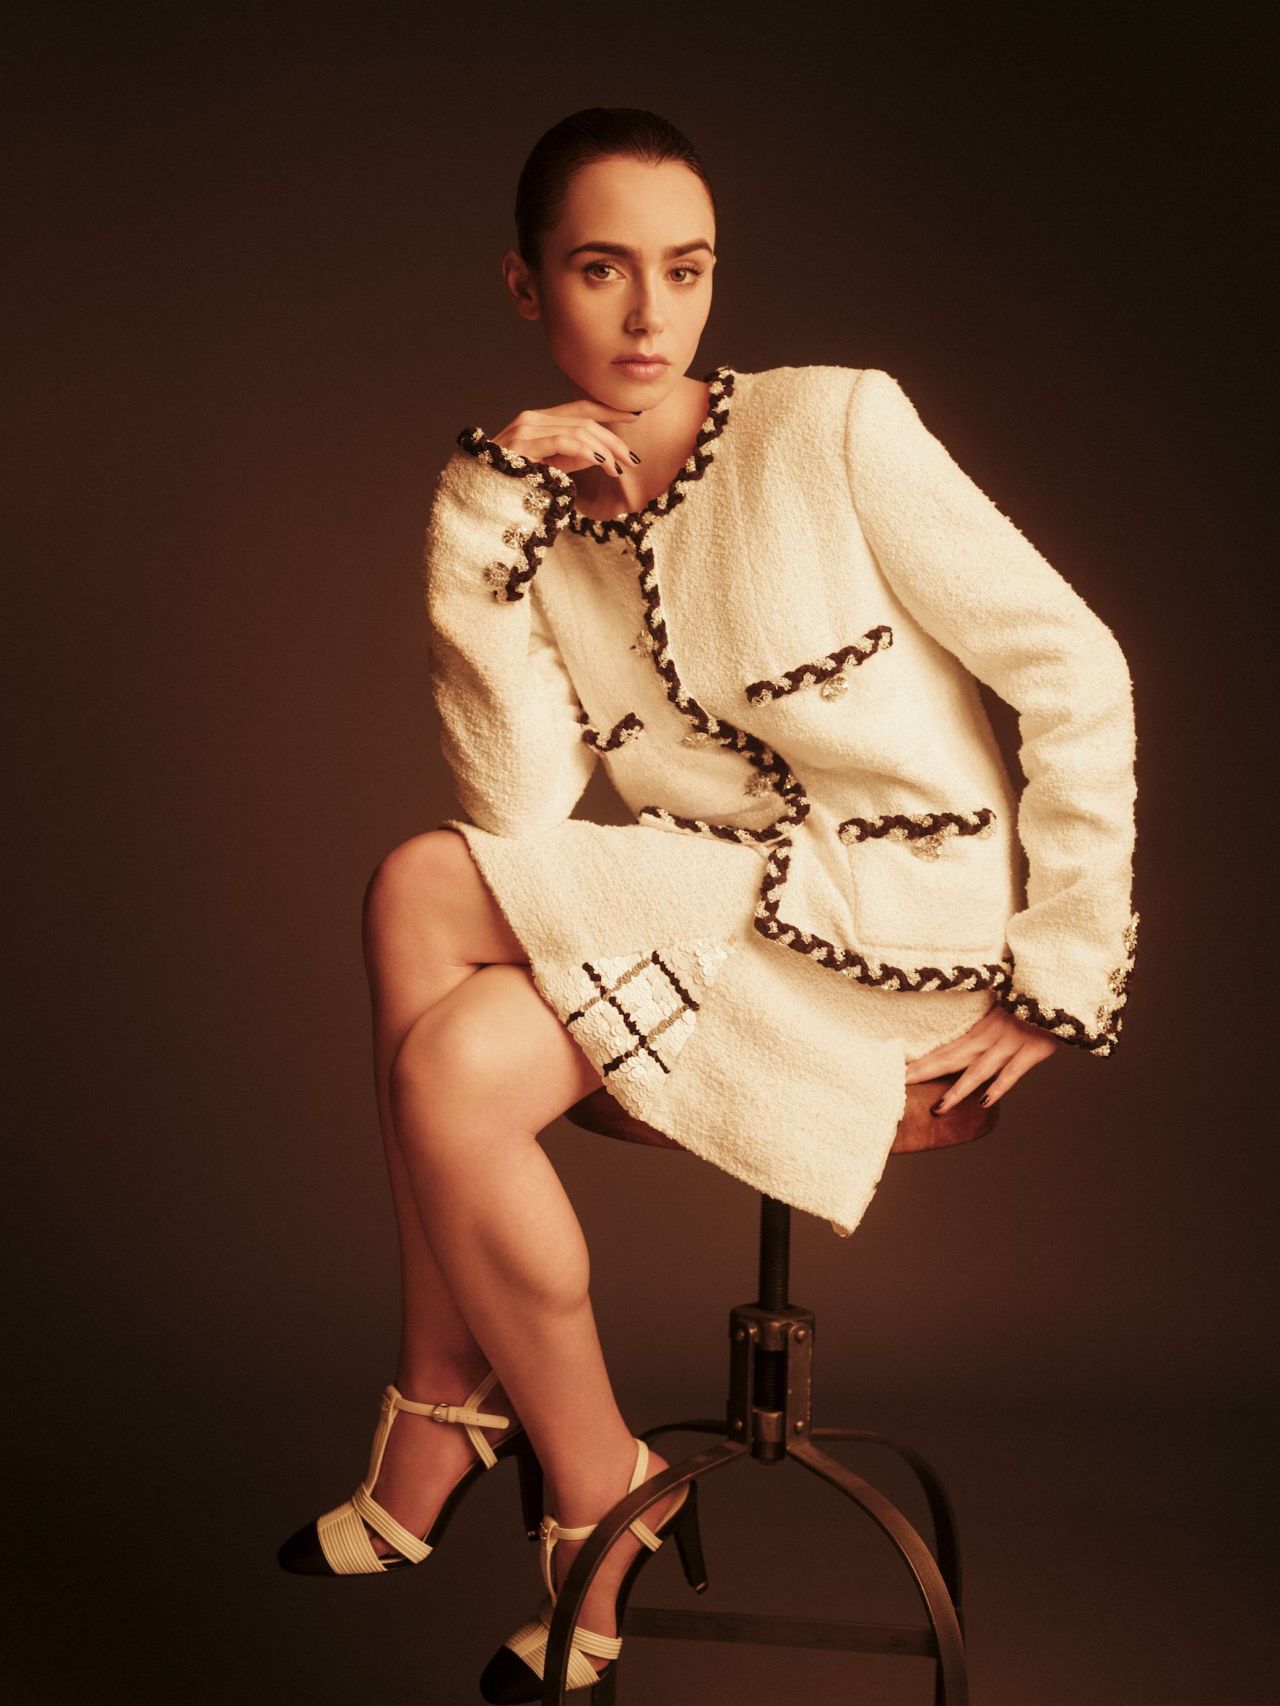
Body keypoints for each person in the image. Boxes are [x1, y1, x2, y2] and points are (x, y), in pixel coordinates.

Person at [277, 107, 1139, 1700]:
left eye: (686, 270)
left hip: (895, 913)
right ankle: (591, 1479)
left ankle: (454, 1414)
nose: (650, 313)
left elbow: (1072, 663)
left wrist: (1063, 960)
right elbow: (519, 811)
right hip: (709, 898)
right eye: (602, 269)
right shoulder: (544, 500)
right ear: (528, 286)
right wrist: (486, 509)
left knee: (418, 897)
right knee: (445, 1015)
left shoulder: (833, 426)